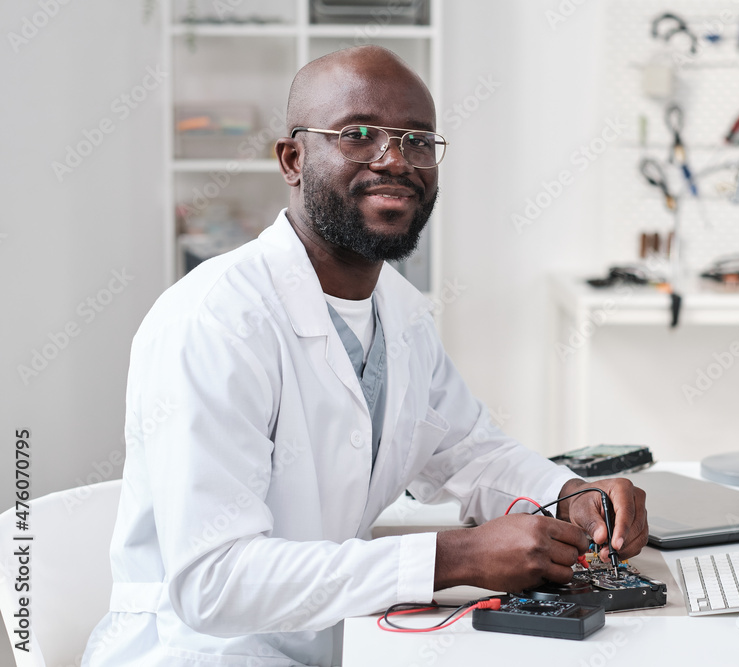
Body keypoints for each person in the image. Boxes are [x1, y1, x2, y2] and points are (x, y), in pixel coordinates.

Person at [83, 46, 648, 666]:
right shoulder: (215, 321)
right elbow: (215, 582)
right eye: (357, 134)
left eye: (417, 139)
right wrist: (456, 557)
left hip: (342, 641)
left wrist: (566, 492)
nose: (395, 160)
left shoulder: (398, 310)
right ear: (293, 159)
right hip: (201, 653)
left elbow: (468, 450)